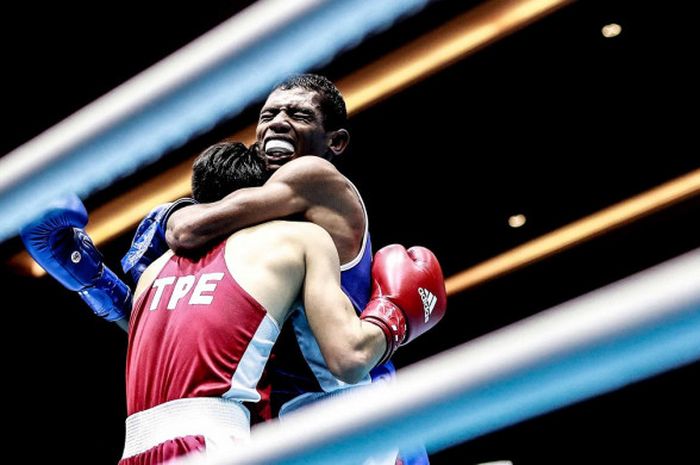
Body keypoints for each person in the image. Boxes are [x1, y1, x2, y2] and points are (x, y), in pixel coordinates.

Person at [22, 143, 447, 465]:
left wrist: (93, 281)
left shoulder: (155, 273)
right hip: (219, 443)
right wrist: (394, 311)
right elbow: (350, 356)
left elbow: (180, 339)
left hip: (134, 448)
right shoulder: (293, 241)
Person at [123, 74, 435, 464]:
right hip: (289, 423)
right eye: (268, 113)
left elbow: (185, 230)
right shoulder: (264, 231)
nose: (277, 122)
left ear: (334, 142)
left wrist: (169, 214)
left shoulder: (312, 177)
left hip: (353, 409)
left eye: (298, 114)